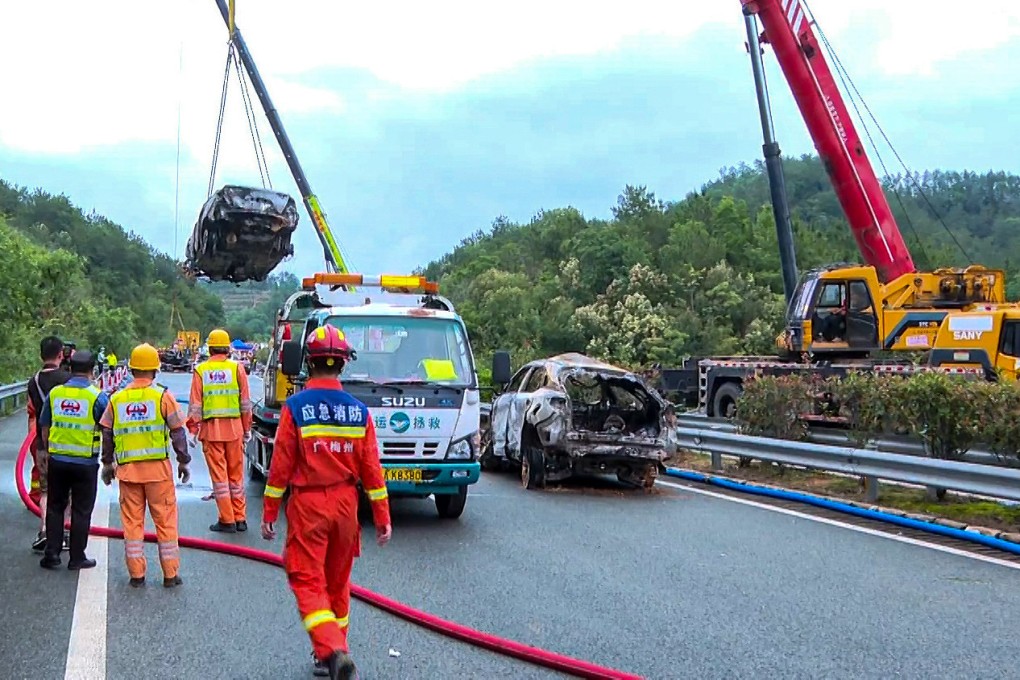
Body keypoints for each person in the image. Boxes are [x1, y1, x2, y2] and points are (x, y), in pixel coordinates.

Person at [261, 324, 392, 680]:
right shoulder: (358, 411)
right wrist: (382, 516)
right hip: (347, 506)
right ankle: (332, 655)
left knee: (306, 579)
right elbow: (372, 470)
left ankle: (333, 649)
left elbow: (281, 465)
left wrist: (270, 511)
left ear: (309, 362)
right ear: (343, 365)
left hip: (309, 504)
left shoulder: (296, 408)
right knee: (337, 583)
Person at [99, 343, 192, 588]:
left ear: (130, 369)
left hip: (128, 474)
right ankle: (170, 575)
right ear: (155, 370)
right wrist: (183, 461)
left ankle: (136, 576)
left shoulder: (116, 399)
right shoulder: (163, 396)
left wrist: (107, 464)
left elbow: (106, 433)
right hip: (158, 474)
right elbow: (177, 432)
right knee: (166, 523)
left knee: (132, 525)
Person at [38, 350, 108, 570]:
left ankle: (52, 554)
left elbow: (45, 426)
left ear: (69, 368)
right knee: (81, 510)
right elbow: (108, 430)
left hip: (58, 460)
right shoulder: (98, 397)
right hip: (85, 463)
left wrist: (47, 452)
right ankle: (77, 558)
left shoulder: (55, 394)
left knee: (55, 507)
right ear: (92, 370)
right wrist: (108, 461)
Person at [187, 328, 253, 533]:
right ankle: (240, 518)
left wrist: (193, 430)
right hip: (235, 429)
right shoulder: (237, 369)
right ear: (227, 348)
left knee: (220, 478)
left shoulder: (201, 370)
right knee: (235, 476)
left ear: (210, 348)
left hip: (212, 430)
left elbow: (195, 405)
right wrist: (247, 427)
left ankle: (227, 519)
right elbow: (245, 403)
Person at [26, 335, 72, 552]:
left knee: (46, 491)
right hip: (65, 443)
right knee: (66, 492)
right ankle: (62, 534)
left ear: (40, 355)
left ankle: (44, 530)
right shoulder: (68, 379)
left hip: (42, 445)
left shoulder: (33, 381)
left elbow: (33, 412)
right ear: (61, 354)